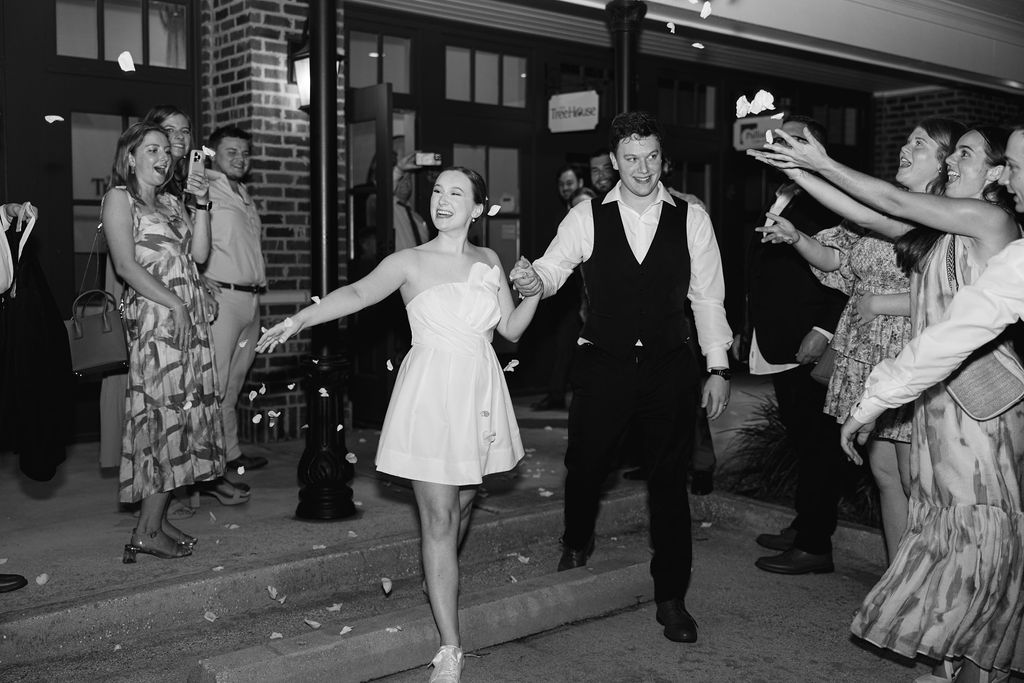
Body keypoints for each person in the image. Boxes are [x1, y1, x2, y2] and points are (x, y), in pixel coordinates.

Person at [761, 123, 1024, 683]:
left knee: (975, 539)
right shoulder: (941, 228)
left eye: (966, 155)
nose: (953, 161)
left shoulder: (992, 220)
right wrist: (802, 173)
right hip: (937, 400)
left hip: (980, 409)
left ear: (997, 174)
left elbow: (889, 198)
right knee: (946, 534)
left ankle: (979, 667)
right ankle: (954, 659)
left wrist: (824, 161)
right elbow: (873, 216)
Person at [257, 167, 540, 683]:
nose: (442, 200)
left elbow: (511, 330)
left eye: (456, 193)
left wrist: (535, 291)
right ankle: (450, 647)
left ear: (477, 209)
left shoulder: (489, 260)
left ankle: (438, 577)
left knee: (462, 504)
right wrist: (299, 319)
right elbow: (358, 294)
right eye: (437, 191)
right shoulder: (409, 261)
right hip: (431, 394)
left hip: (479, 392)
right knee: (438, 521)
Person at [514, 111, 731, 644]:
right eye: (631, 159)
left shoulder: (691, 219)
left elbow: (707, 297)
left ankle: (672, 596)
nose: (643, 168)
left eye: (652, 157)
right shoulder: (588, 215)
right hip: (603, 362)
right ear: (614, 162)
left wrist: (719, 365)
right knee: (585, 464)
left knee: (668, 481)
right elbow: (554, 267)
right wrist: (530, 278)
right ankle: (576, 538)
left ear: (663, 158)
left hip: (668, 365)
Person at [754, 118, 966, 563]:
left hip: (908, 353)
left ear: (945, 162)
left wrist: (880, 304)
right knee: (885, 472)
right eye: (907, 139)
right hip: (866, 353)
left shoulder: (949, 216)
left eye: (919, 143)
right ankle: (897, 577)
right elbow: (837, 260)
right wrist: (797, 238)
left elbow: (955, 294)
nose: (906, 147)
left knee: (914, 478)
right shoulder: (890, 208)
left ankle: (927, 581)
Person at [103, 121, 224, 562]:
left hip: (187, 323)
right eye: (150, 149)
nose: (162, 157)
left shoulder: (173, 203)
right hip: (158, 325)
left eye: (164, 151)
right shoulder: (120, 199)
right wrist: (176, 304)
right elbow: (125, 266)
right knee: (161, 423)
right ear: (130, 158)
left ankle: (154, 522)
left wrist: (203, 203)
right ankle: (146, 530)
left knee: (183, 423)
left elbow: (200, 255)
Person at [742, 115, 849, 575]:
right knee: (804, 442)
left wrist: (824, 331)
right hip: (777, 338)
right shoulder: (783, 191)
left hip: (810, 340)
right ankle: (806, 522)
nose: (787, 146)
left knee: (819, 444)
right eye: (784, 140)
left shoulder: (833, 200)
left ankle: (814, 544)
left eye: (800, 141)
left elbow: (847, 270)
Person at [199, 124, 269, 489]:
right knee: (215, 382)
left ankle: (231, 453)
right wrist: (198, 278)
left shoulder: (243, 194)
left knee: (234, 383)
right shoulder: (204, 189)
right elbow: (186, 236)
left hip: (252, 299)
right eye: (231, 152)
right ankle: (209, 467)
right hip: (222, 300)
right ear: (214, 154)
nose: (240, 158)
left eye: (244, 152)